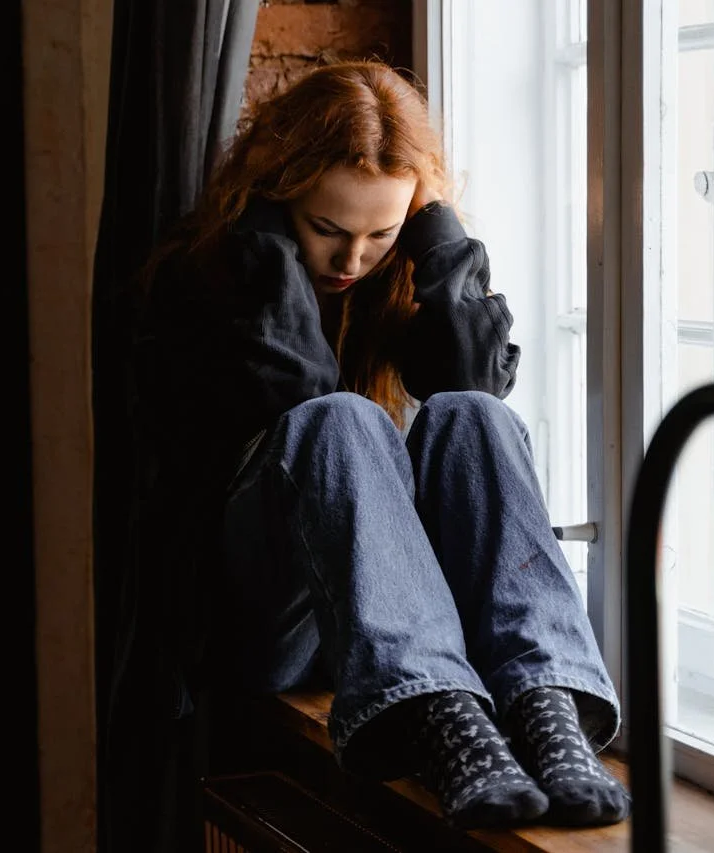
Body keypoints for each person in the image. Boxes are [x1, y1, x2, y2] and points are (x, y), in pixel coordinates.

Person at [137, 60, 629, 830]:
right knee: (340, 420)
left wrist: (438, 240)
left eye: (382, 233)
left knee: (475, 415)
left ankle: (547, 701)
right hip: (268, 629)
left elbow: (476, 381)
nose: (351, 261)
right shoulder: (206, 281)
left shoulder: (395, 273)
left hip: (381, 623)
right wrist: (268, 247)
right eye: (326, 228)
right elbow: (301, 401)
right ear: (277, 193)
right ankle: (438, 716)